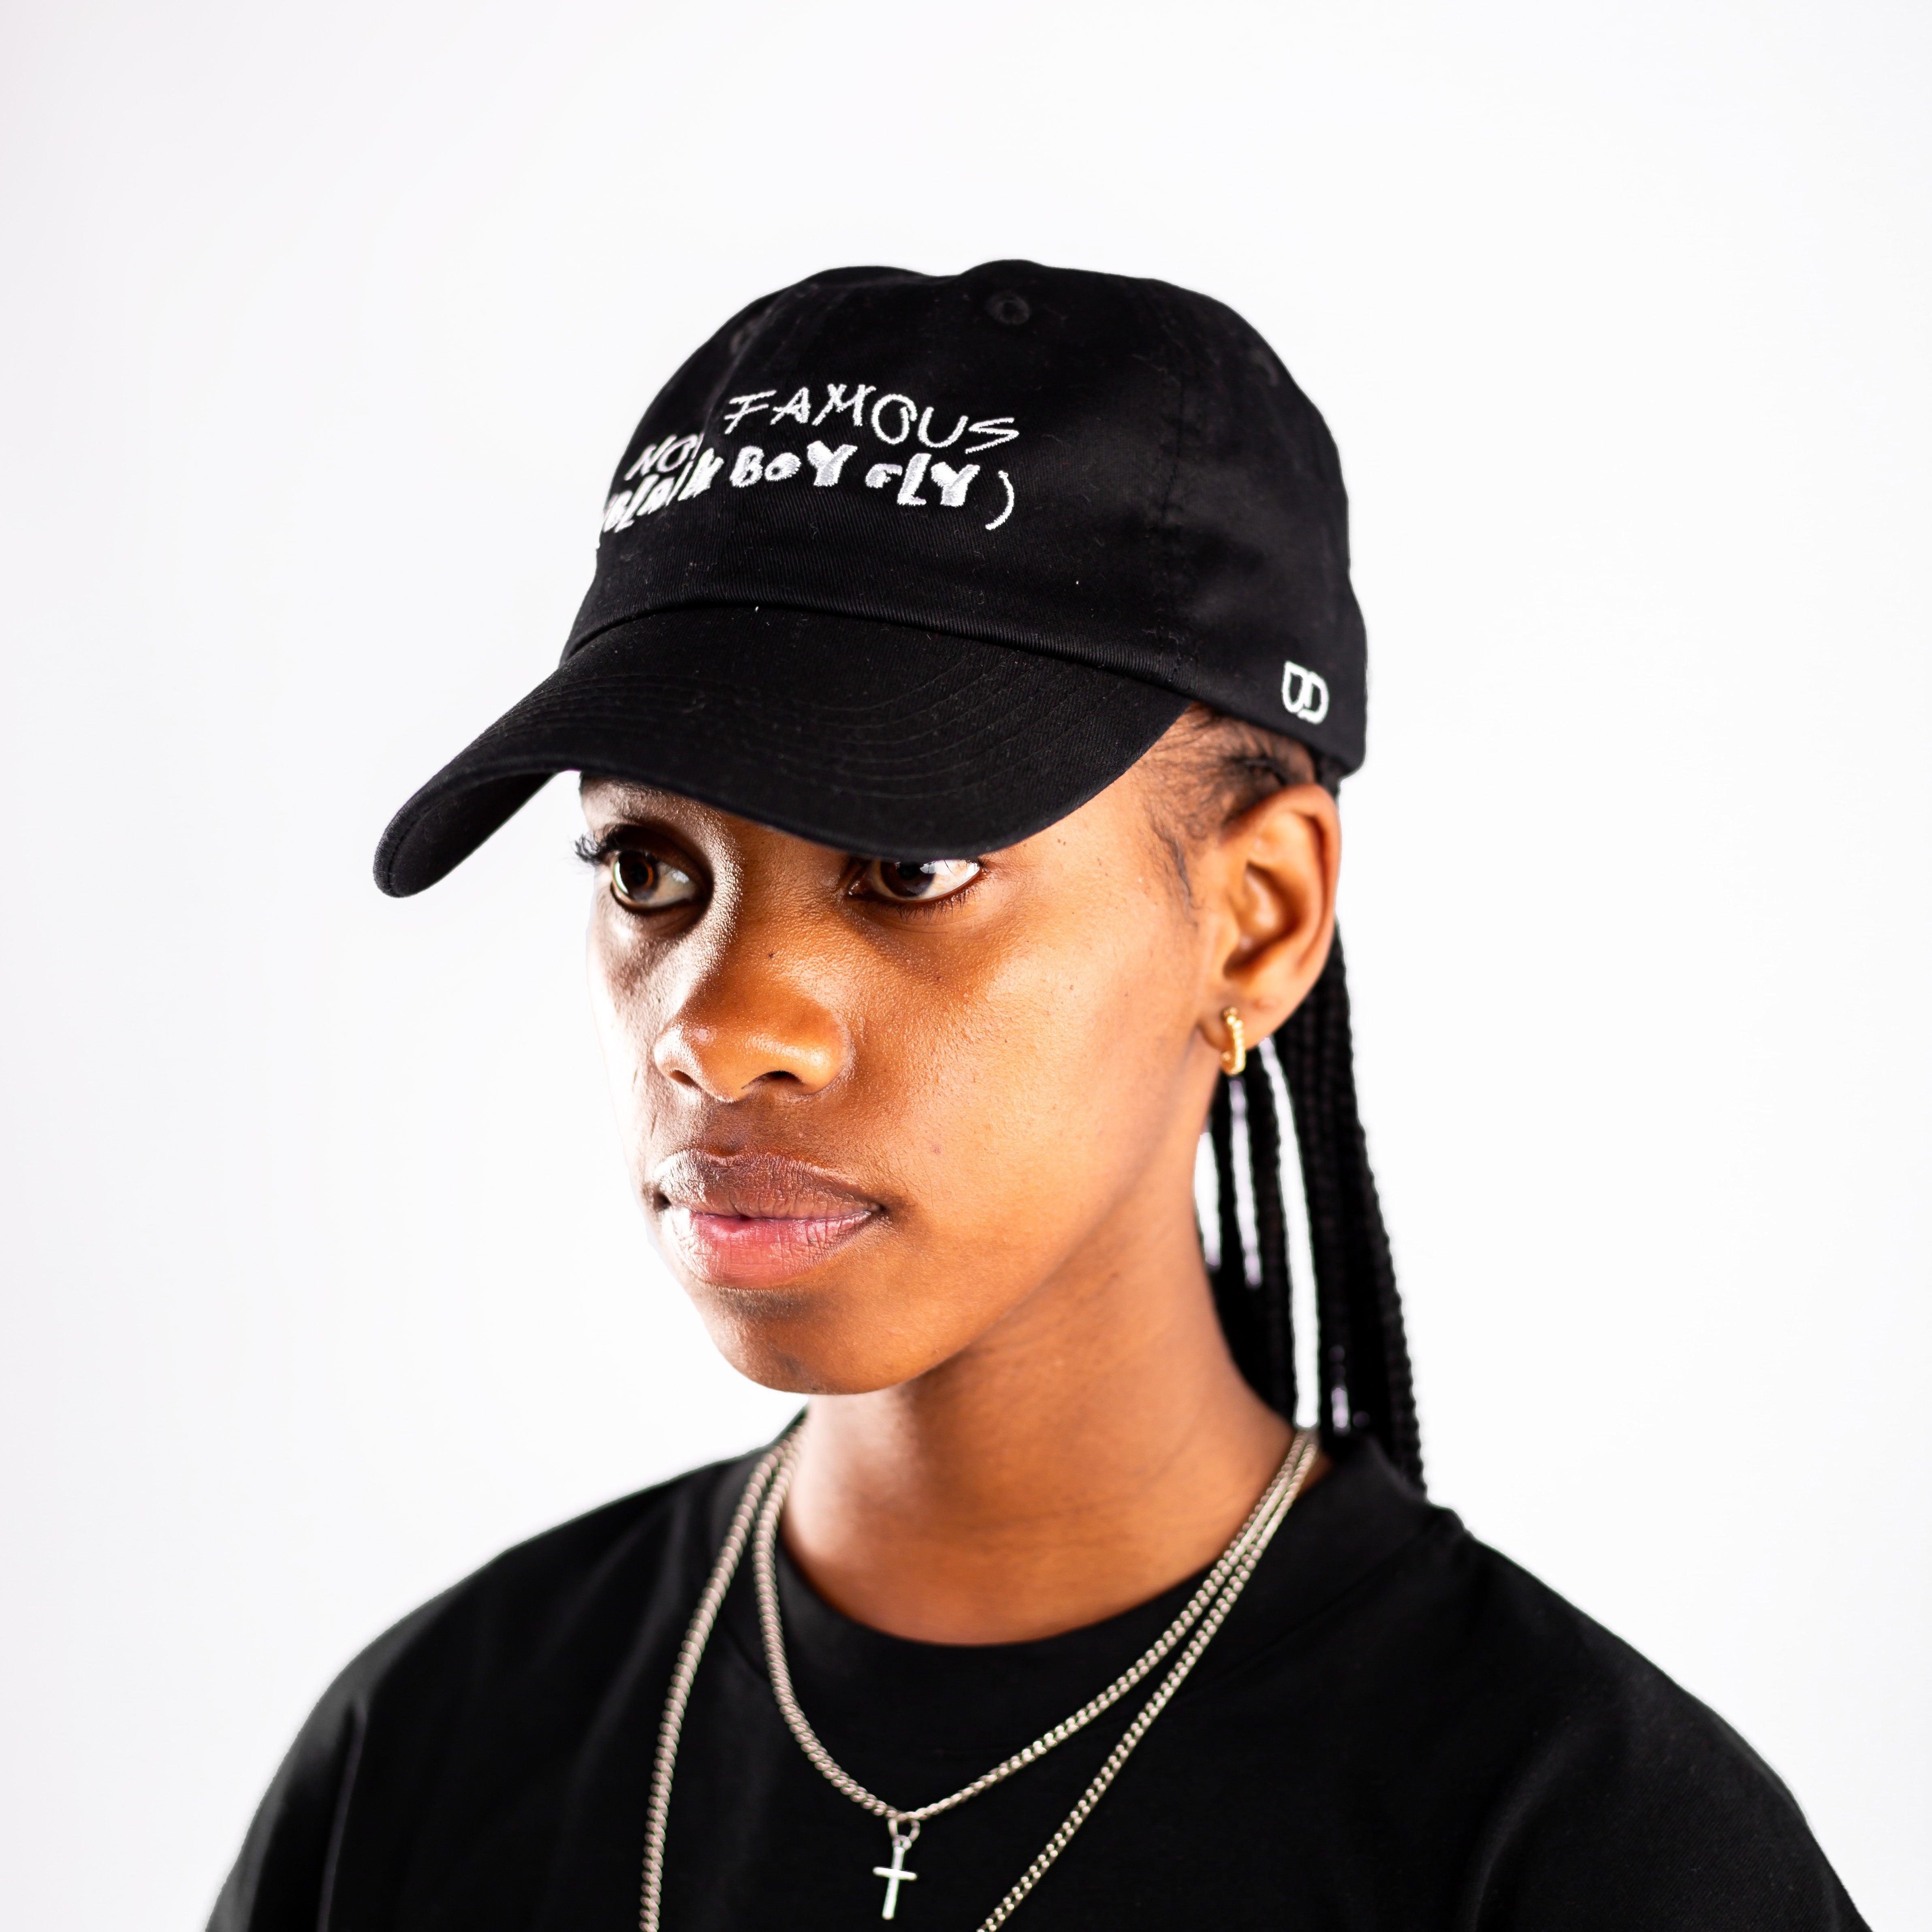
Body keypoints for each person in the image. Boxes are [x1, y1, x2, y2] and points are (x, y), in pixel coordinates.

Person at [210, 263, 1865, 1931]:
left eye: (909, 865)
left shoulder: (1587, 1855)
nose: (716, 1028)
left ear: (1257, 914)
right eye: (647, 863)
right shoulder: (420, 1762)